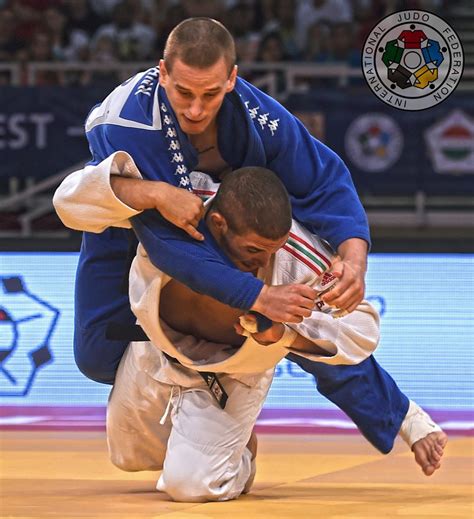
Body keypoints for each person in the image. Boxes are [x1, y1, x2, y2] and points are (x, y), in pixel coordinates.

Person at [53, 17, 414, 458]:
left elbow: (323, 180)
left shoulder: (260, 117)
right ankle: (203, 396)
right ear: (162, 71)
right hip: (129, 228)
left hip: (232, 228)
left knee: (304, 326)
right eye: (183, 92)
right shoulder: (127, 122)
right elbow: (172, 246)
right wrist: (258, 294)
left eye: (210, 94)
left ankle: (399, 415)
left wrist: (353, 256)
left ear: (231, 78)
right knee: (97, 355)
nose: (196, 110)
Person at [107, 167, 446, 502]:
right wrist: (151, 192)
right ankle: (219, 440)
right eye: (254, 250)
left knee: (192, 486)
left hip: (232, 373)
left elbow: (361, 332)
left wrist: (285, 334)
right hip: (155, 347)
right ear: (218, 223)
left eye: (274, 248)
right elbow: (77, 199)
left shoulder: (299, 255)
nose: (264, 261)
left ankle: (241, 458)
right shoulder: (177, 207)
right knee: (129, 457)